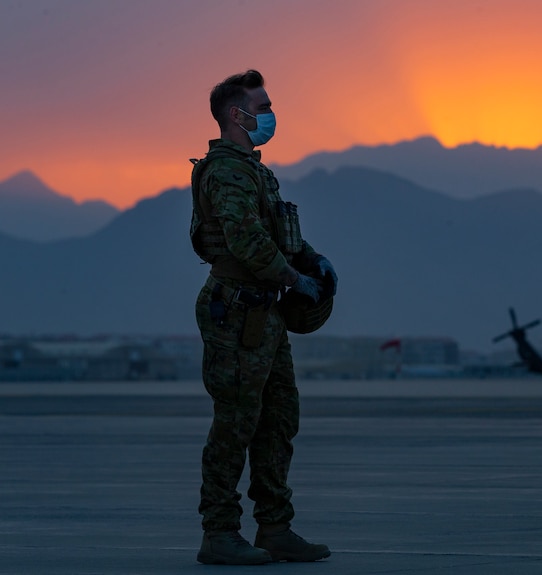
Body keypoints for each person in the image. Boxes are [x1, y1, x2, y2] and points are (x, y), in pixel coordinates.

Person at [189, 69, 337, 565]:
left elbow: (278, 236)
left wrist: (311, 260)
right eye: (264, 105)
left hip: (264, 313)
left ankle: (275, 527)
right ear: (238, 114)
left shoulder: (255, 171)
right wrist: (297, 281)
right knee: (235, 423)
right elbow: (247, 243)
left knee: (277, 419)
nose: (271, 114)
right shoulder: (227, 171)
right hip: (234, 310)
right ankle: (220, 533)